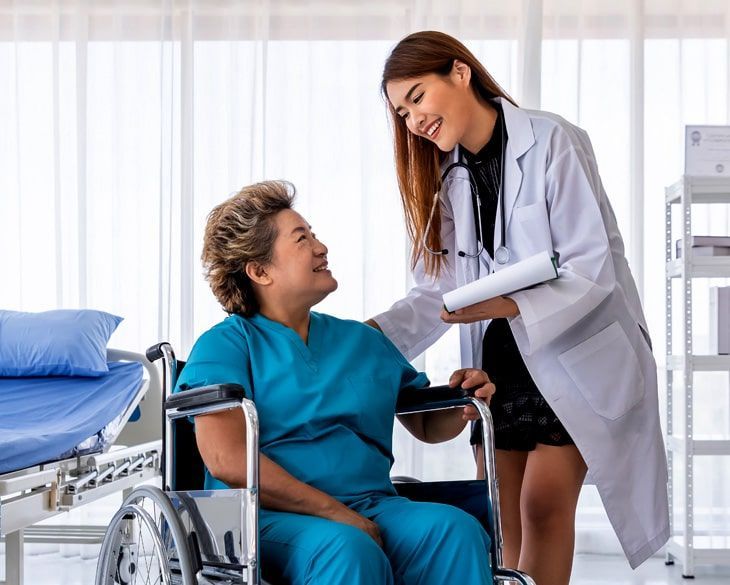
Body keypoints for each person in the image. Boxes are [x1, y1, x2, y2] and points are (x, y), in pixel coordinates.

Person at [366, 30, 669, 585]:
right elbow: (434, 294)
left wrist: (493, 303)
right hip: (500, 363)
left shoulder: (553, 141)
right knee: (502, 522)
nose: (413, 121)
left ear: (460, 73)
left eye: (417, 97)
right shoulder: (445, 179)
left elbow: (589, 267)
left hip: (574, 354)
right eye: (402, 113)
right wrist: (366, 337)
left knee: (543, 509)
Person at [174, 180, 495, 585]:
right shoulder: (226, 345)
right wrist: (332, 512)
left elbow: (428, 426)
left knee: (454, 530)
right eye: (301, 239)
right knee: (347, 548)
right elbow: (228, 459)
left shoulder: (363, 341)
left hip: (370, 505)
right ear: (259, 271)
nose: (320, 247)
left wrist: (463, 401)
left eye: (314, 234)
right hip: (261, 517)